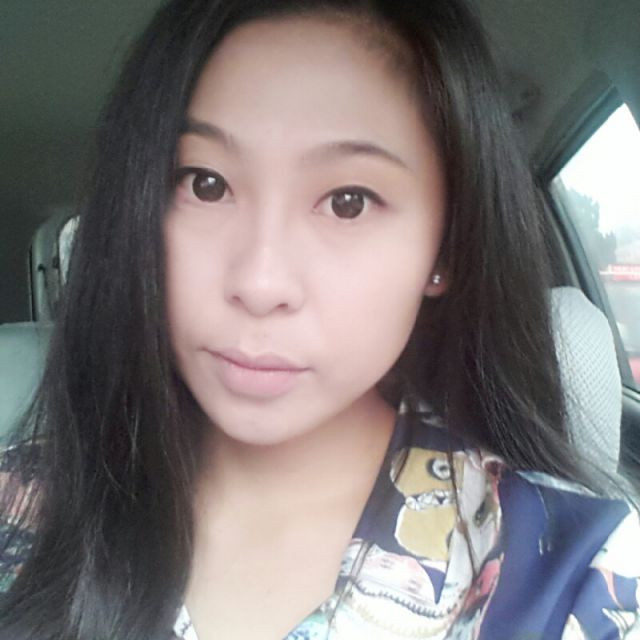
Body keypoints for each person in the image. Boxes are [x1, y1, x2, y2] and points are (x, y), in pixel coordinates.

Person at [1, 0, 639, 638]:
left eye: (348, 201)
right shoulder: (19, 506)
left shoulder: (579, 575)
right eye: (205, 184)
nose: (259, 283)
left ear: (443, 250)